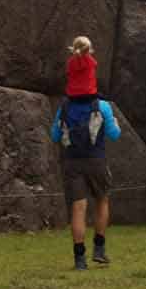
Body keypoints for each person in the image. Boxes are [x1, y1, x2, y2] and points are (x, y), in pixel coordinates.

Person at [50, 93, 121, 270]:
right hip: (96, 160)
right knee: (102, 199)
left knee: (78, 207)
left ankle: (80, 259)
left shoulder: (64, 107)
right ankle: (99, 248)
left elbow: (54, 136)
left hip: (72, 162)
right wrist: (115, 122)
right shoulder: (102, 106)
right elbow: (114, 135)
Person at [65, 35, 98, 101]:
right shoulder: (91, 61)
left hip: (72, 95)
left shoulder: (71, 61)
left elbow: (68, 74)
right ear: (88, 49)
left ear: (74, 48)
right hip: (89, 95)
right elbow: (95, 65)